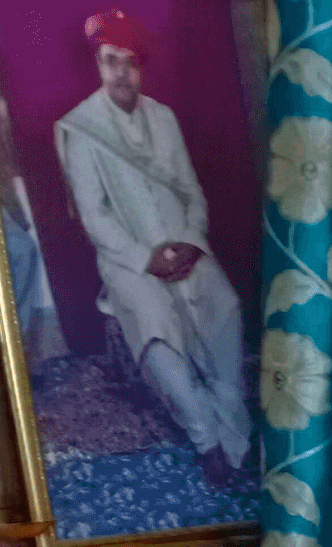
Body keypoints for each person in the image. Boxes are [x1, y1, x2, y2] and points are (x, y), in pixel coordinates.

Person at [56, 7, 251, 488]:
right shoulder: (80, 128)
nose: (121, 72)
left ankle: (234, 425)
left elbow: (191, 190)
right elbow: (94, 216)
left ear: (140, 67)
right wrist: (148, 258)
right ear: (98, 64)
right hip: (129, 261)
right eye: (111, 60)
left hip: (185, 248)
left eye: (130, 61)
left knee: (224, 309)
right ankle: (206, 439)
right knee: (156, 333)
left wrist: (190, 242)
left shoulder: (163, 118)